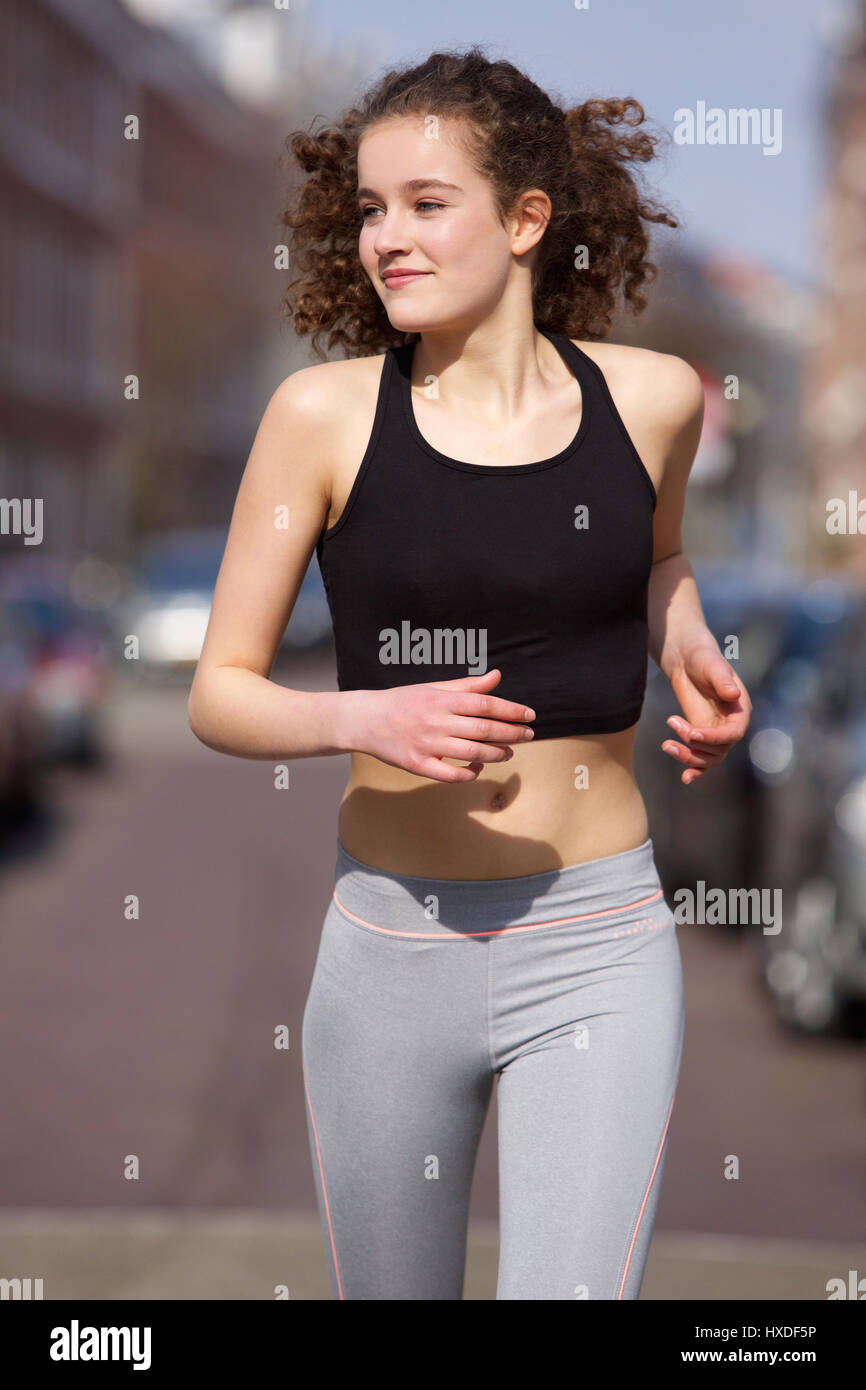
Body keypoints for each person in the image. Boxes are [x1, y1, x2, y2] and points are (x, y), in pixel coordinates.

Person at [188, 47, 752, 1300]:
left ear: (525, 219)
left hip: (594, 941)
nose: (386, 235)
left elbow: (655, 562)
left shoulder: (652, 400)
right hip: (391, 954)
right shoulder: (320, 418)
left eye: (425, 204)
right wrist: (362, 711)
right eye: (371, 208)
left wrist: (689, 639)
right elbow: (218, 687)